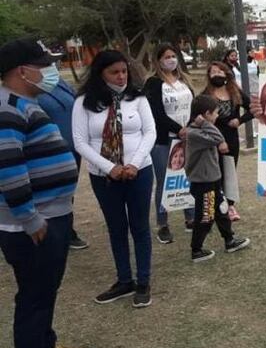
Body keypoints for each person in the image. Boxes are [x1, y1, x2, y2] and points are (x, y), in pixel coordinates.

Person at [0, 38, 88, 348]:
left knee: (45, 289)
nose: (51, 71)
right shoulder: (7, 109)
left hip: (53, 214)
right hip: (33, 223)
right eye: (44, 65)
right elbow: (8, 169)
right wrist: (30, 218)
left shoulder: (25, 102)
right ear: (23, 71)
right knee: (34, 297)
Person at [72, 50, 156, 308]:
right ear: (101, 73)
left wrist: (134, 163)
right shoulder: (84, 102)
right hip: (104, 177)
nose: (121, 77)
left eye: (124, 71)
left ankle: (143, 281)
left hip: (139, 172)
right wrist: (110, 167)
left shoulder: (137, 98)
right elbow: (80, 142)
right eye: (114, 72)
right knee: (116, 228)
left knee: (140, 227)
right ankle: (124, 280)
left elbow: (150, 132)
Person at [185, 95, 251, 262]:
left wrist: (205, 124)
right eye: (214, 113)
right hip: (203, 182)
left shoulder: (202, 129)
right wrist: (204, 123)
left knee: (222, 209)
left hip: (213, 179)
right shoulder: (194, 133)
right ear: (206, 114)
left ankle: (230, 240)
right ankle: (196, 250)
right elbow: (218, 137)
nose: (217, 117)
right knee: (206, 216)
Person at [144, 43, 195, 244]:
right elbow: (156, 113)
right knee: (165, 181)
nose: (171, 60)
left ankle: (190, 217)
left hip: (187, 138)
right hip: (164, 140)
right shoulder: (153, 83)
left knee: (187, 177)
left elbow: (193, 105)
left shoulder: (184, 80)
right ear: (158, 60)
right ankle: (163, 224)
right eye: (167, 56)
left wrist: (189, 127)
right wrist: (178, 129)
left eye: (174, 56)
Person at [37, 77, 89, 250]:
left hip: (72, 149)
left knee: (68, 193)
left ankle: (67, 231)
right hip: (49, 153)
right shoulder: (33, 89)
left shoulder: (60, 82)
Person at [203, 61, 255, 221]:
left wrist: (239, 121)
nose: (217, 75)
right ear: (208, 76)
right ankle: (213, 209)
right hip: (213, 139)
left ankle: (230, 206)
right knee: (214, 174)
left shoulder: (235, 92)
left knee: (230, 172)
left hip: (232, 138)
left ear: (226, 74)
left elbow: (253, 108)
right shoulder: (205, 94)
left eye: (220, 72)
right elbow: (200, 118)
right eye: (213, 72)